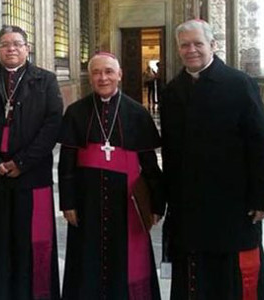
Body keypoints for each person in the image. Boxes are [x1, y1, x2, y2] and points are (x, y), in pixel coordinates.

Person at [160, 19, 264, 299]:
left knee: (233, 277)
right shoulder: (172, 91)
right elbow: (170, 150)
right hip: (188, 204)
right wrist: (165, 198)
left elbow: (260, 143)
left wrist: (263, 197)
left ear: (212, 45)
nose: (191, 50)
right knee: (193, 272)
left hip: (232, 204)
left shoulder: (239, 84)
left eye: (198, 43)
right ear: (178, 50)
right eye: (185, 45)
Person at [0, 25, 63, 300]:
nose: (11, 48)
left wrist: (22, 162)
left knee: (27, 244)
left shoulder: (46, 80)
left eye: (17, 43)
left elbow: (52, 124)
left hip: (30, 177)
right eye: (5, 44)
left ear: (27, 48)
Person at [58, 52, 163, 300]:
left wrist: (157, 203)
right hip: (87, 201)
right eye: (96, 72)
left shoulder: (137, 113)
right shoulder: (76, 112)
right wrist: (68, 202)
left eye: (108, 72)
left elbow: (150, 164)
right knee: (87, 260)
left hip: (126, 203)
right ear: (90, 77)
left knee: (127, 259)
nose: (102, 77)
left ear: (119, 75)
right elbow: (67, 164)